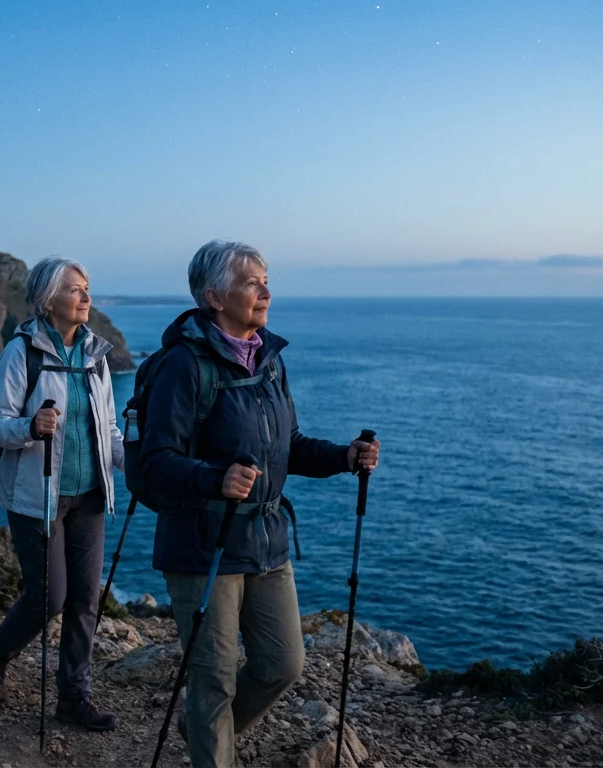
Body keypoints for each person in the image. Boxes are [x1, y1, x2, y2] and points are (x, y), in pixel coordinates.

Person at [140, 240, 381, 767]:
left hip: (266, 541)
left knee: (282, 664)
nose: (266, 292)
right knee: (214, 679)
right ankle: (210, 741)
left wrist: (345, 455)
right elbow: (155, 460)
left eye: (266, 279)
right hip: (203, 545)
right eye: (251, 282)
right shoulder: (184, 366)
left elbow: (287, 446)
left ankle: (203, 729)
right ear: (213, 296)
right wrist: (213, 478)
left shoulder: (269, 360)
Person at [0, 257, 125, 732]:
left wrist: (140, 462)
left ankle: (73, 696)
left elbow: (111, 431)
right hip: (36, 495)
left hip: (90, 494)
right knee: (49, 597)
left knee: (85, 600)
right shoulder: (23, 354)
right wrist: (30, 427)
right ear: (48, 299)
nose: (86, 297)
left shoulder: (96, 357)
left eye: (87, 288)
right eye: (76, 289)